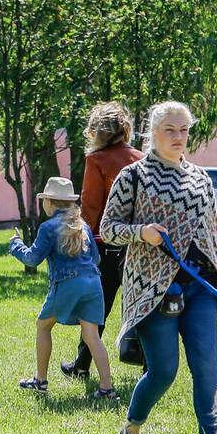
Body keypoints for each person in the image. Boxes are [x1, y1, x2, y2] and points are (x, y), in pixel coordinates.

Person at [100, 101, 217, 434]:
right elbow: (107, 229)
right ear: (152, 133)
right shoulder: (134, 177)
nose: (178, 136)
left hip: (199, 285)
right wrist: (142, 232)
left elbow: (216, 235)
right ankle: (132, 426)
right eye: (170, 130)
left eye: (184, 130)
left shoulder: (201, 178)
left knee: (207, 369)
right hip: (153, 287)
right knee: (163, 371)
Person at [9, 177, 117, 399]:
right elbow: (95, 258)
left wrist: (16, 245)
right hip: (94, 282)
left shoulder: (48, 227)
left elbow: (32, 259)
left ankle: (40, 380)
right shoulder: (83, 225)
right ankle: (107, 388)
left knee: (43, 325)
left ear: (49, 202)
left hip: (68, 282)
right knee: (92, 336)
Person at [60, 102, 143, 379]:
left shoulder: (96, 160)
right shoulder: (142, 158)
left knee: (98, 307)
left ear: (97, 131)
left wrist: (81, 237)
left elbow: (92, 205)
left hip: (106, 243)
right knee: (141, 303)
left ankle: (81, 364)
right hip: (141, 240)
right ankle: (150, 366)